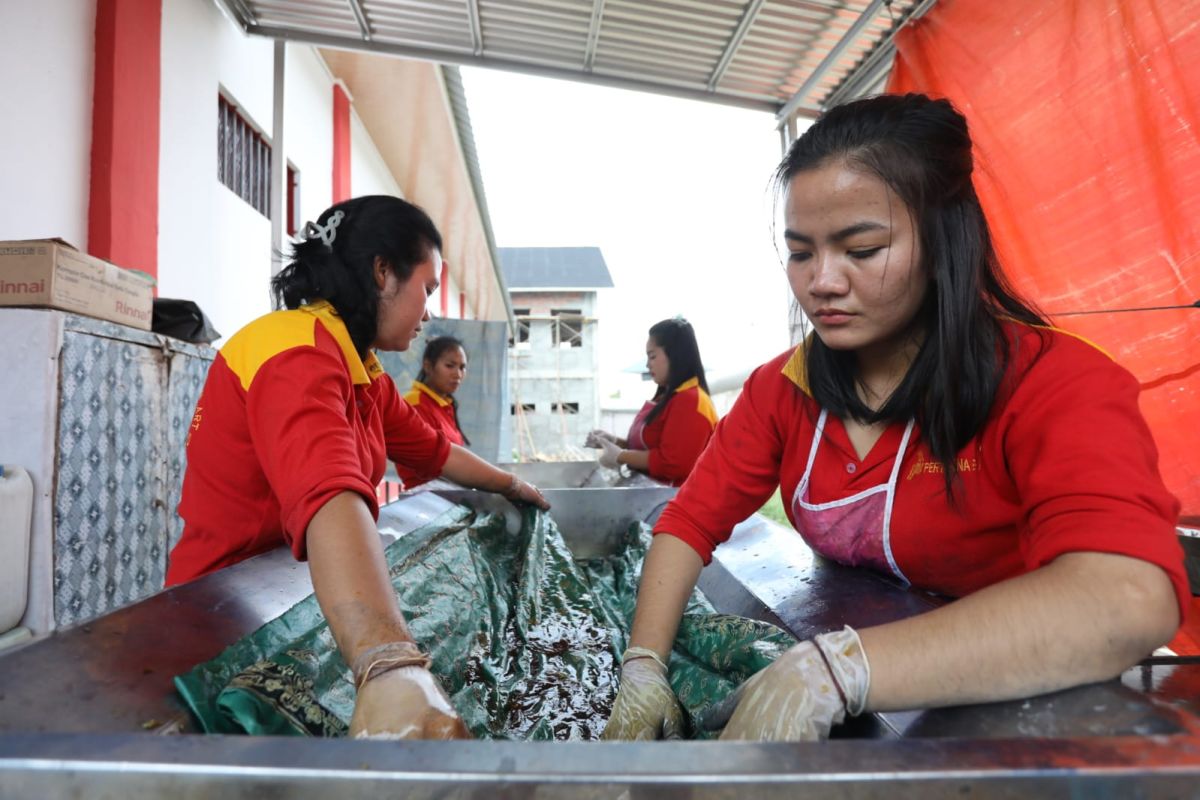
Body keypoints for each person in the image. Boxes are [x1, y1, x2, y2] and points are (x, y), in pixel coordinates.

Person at [602, 94, 1188, 742]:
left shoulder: (1051, 382)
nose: (823, 281)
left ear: (941, 242)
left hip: (1033, 715)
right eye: (801, 253)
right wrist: (644, 666)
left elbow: (1127, 596)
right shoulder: (784, 389)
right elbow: (689, 519)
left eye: (862, 248)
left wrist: (839, 670)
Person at [168, 195, 550, 740]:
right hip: (224, 620)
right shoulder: (292, 351)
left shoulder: (360, 370)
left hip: (286, 602)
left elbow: (432, 449)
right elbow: (329, 496)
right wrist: (389, 664)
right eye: (427, 290)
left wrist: (512, 485)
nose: (429, 312)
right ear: (382, 272)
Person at [587, 318, 718, 486]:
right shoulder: (667, 397)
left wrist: (620, 456)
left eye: (653, 356)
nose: (648, 365)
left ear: (675, 355)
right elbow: (649, 447)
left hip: (682, 499)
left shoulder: (691, 401)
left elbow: (673, 464)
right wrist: (614, 442)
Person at [397, 336, 470, 489]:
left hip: (448, 493)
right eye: (450, 366)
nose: (458, 374)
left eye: (462, 367)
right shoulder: (415, 404)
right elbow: (427, 463)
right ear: (428, 366)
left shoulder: (445, 405)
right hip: (425, 497)